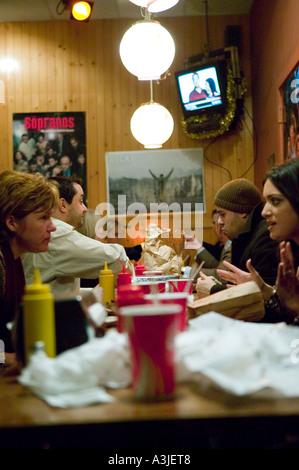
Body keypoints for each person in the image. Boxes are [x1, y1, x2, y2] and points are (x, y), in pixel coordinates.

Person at [217, 160, 299, 324]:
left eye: (275, 201)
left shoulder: (266, 239)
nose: (264, 212)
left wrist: (294, 305)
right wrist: (264, 290)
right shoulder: (289, 248)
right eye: (265, 202)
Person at [22, 176, 130, 294]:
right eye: (81, 201)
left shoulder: (50, 230)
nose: (85, 209)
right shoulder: (56, 232)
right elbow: (115, 257)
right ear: (63, 205)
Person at [0, 170, 58, 369]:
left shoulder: (14, 258)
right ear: (12, 222)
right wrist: (10, 359)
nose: (52, 227)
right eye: (43, 218)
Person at [195, 178, 279, 300]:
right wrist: (219, 285)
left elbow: (265, 299)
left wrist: (214, 289)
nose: (219, 222)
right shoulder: (243, 235)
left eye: (222, 214)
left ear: (242, 211)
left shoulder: (266, 237)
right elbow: (241, 284)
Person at [185, 209, 231, 280]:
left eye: (218, 224)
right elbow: (217, 266)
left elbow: (220, 273)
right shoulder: (221, 244)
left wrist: (186, 271)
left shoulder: (232, 243)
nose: (215, 227)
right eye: (214, 223)